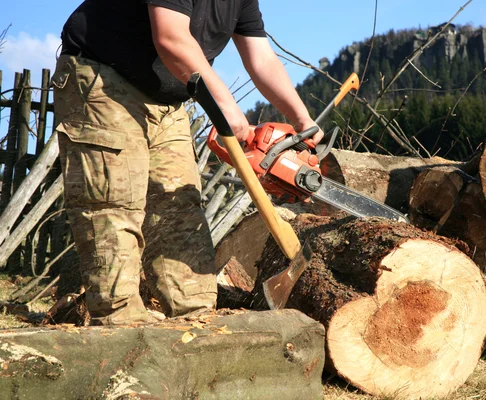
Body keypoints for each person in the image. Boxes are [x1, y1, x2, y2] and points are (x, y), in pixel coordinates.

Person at [52, 0, 323, 326]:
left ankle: (196, 322)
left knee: (178, 209)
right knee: (115, 205)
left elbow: (262, 58)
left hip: (167, 100)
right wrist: (228, 105)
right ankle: (120, 329)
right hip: (102, 79)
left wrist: (302, 119)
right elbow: (171, 37)